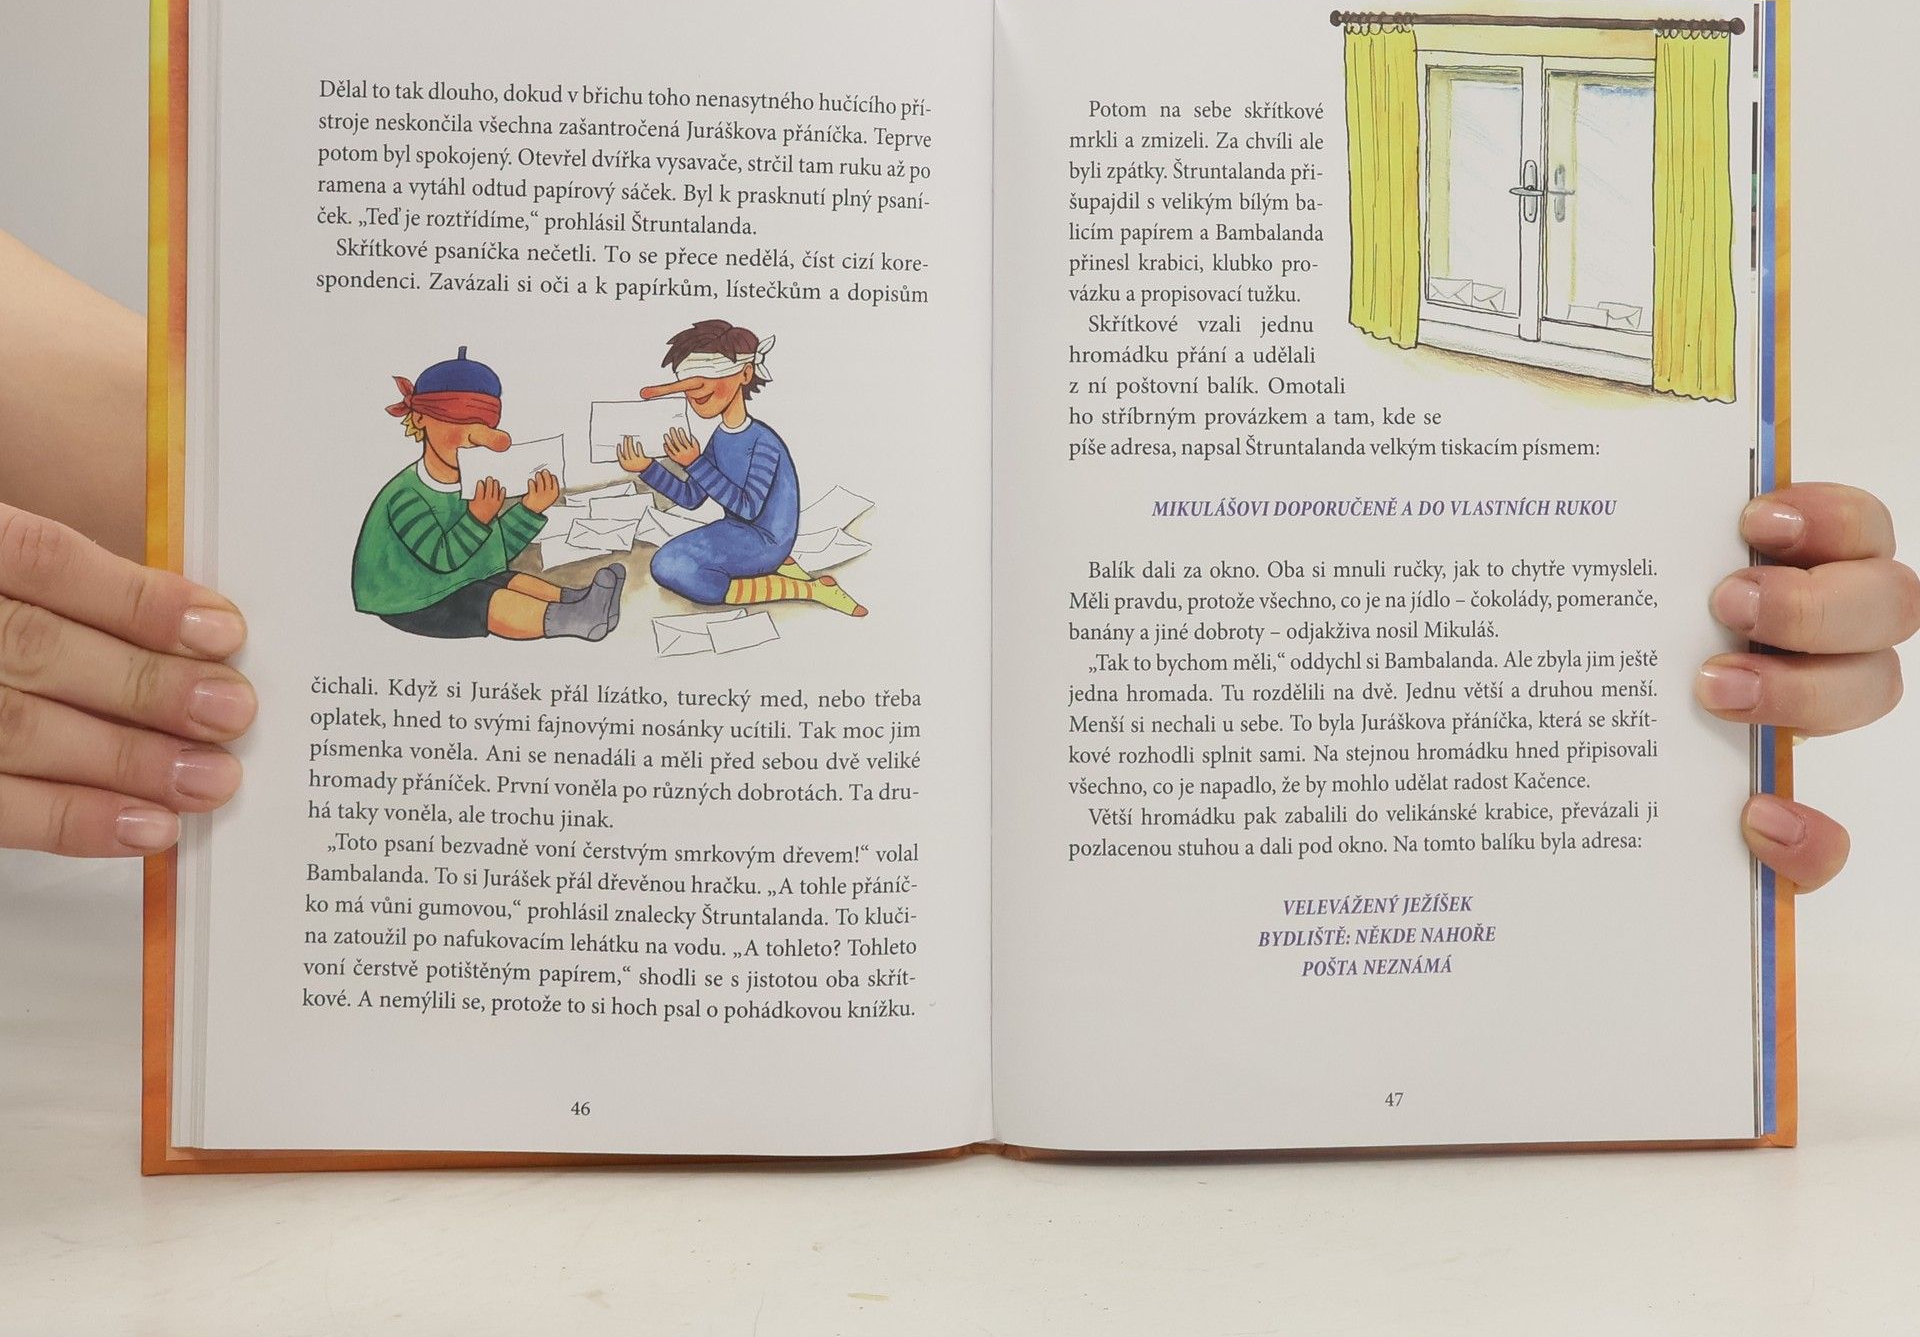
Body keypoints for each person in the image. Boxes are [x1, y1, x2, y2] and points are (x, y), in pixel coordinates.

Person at [0, 227, 1910, 865]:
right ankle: (597, 609)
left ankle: (634, 601)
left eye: (712, 382)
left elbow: (720, 502)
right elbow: (408, 538)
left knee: (669, 570)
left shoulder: (738, 443)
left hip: (682, 549)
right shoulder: (614, 453)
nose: (698, 396)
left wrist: (1618, 590)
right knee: (620, 577)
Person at [350, 347, 623, 641]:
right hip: (410, 598)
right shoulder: (405, 495)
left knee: (505, 578)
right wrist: (477, 519)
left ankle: (575, 599)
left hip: (457, 577)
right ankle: (573, 619)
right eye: (459, 421)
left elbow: (495, 551)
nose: (476, 438)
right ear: (419, 419)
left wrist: (529, 509)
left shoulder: (472, 485)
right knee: (483, 598)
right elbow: (442, 558)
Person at [618, 318, 866, 617]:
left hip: (768, 541)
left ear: (745, 373)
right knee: (664, 562)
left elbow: (748, 509)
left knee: (674, 568)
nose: (693, 389)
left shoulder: (764, 442)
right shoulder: (720, 437)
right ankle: (774, 571)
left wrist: (695, 463)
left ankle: (811, 589)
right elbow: (691, 498)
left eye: (709, 373)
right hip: (735, 532)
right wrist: (647, 468)